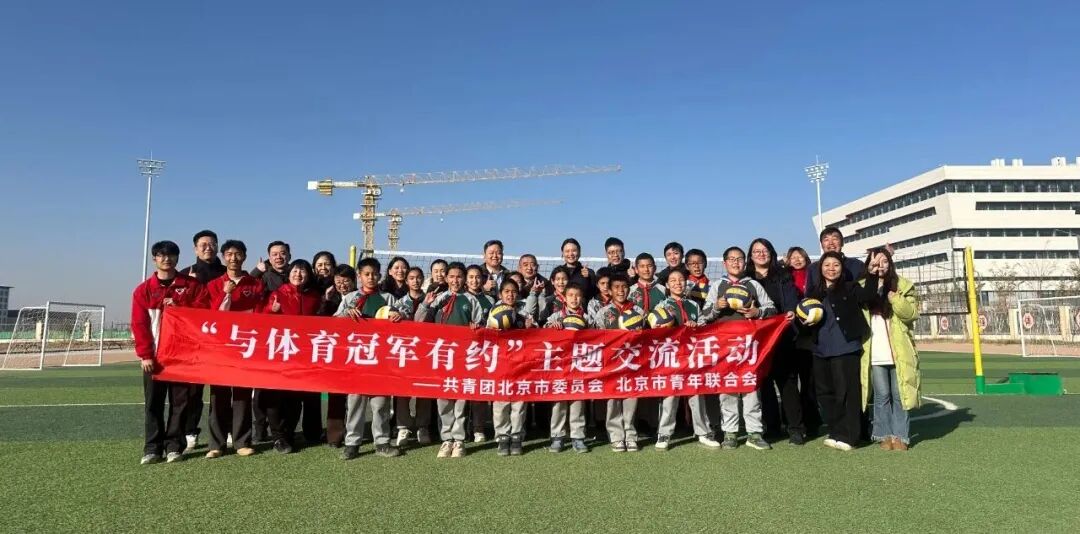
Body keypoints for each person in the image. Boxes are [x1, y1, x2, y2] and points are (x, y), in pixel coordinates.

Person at [131, 240, 209, 464]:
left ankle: (174, 446)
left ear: (177, 258)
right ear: (154, 259)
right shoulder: (144, 290)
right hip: (155, 358)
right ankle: (152, 448)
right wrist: (145, 355)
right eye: (161, 255)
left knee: (181, 404)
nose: (167, 259)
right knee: (153, 404)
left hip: (182, 357)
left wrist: (181, 309)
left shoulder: (192, 286)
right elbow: (139, 324)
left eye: (171, 255)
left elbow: (204, 313)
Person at [800, 251, 883, 452]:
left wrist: (872, 274)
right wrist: (802, 322)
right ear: (820, 268)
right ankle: (835, 431)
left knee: (847, 393)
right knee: (825, 394)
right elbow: (803, 317)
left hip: (845, 348)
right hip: (820, 349)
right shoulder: (813, 293)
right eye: (827, 265)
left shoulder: (850, 287)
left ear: (842, 268)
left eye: (836, 265)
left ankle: (850, 435)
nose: (831, 268)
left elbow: (868, 296)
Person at [701, 246, 776, 451]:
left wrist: (757, 312)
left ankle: (754, 433)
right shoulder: (717, 286)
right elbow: (703, 316)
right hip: (725, 348)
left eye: (739, 259)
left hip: (749, 347)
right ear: (724, 263)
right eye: (732, 259)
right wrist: (717, 307)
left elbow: (771, 309)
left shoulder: (753, 285)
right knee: (728, 390)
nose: (736, 262)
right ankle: (730, 433)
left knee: (751, 389)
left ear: (745, 262)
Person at [336, 257, 405, 460]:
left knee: (380, 403)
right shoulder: (350, 298)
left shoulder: (388, 298)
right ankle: (352, 443)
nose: (371, 277)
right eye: (366, 274)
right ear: (359, 276)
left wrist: (399, 316)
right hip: (357, 358)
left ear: (380, 276)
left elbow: (403, 317)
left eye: (374, 274)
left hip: (381, 360)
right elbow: (334, 322)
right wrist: (346, 313)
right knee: (355, 402)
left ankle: (382, 442)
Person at [414, 261, 485, 458]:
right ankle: (447, 439)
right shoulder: (438, 299)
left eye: (459, 277)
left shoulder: (471, 300)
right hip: (442, 355)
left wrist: (476, 327)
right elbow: (419, 322)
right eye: (451, 276)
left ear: (464, 279)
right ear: (446, 278)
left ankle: (459, 439)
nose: (455, 280)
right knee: (443, 399)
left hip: (463, 357)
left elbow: (481, 326)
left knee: (461, 399)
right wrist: (426, 304)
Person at [204, 239, 263, 458]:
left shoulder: (254, 284)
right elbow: (210, 314)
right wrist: (224, 293)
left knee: (242, 395)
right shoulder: (214, 284)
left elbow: (260, 313)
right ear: (223, 257)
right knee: (218, 395)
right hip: (220, 348)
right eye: (229, 254)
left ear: (244, 256)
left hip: (245, 346)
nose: (233, 258)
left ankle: (242, 442)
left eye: (238, 254)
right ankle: (216, 444)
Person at [746, 238, 808, 444]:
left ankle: (795, 428)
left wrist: (790, 312)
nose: (761, 254)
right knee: (764, 384)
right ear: (751, 256)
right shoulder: (746, 278)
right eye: (756, 251)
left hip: (781, 336)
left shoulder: (782, 275)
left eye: (764, 250)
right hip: (757, 340)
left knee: (787, 383)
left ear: (771, 253)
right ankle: (772, 426)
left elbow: (791, 301)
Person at [860, 247, 920, 451]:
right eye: (876, 262)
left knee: (900, 394)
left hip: (898, 349)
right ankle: (883, 435)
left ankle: (901, 436)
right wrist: (871, 279)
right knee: (882, 395)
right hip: (874, 350)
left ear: (890, 263)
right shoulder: (863, 285)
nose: (881, 266)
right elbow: (859, 302)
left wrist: (895, 298)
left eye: (884, 261)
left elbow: (911, 314)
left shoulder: (903, 285)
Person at [652, 269, 719, 450]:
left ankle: (703, 432)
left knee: (696, 393)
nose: (677, 283)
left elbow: (704, 326)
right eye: (673, 280)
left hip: (692, 357)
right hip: (672, 357)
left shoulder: (693, 305)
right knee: (670, 395)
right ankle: (664, 434)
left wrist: (696, 326)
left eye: (681, 280)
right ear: (667, 285)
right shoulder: (661, 306)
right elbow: (655, 330)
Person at [262, 259, 322, 454]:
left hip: (303, 356)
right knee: (277, 397)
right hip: (280, 353)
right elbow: (261, 320)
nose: (298, 274)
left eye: (303, 271)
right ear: (289, 274)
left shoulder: (314, 296)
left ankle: (288, 434)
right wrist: (271, 311)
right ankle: (278, 436)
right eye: (295, 271)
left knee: (296, 398)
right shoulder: (278, 294)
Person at [180, 229, 226, 453]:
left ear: (218, 246)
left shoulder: (227, 273)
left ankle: (224, 431)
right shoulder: (184, 275)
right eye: (203, 245)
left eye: (212, 244)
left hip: (222, 342)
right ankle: (190, 432)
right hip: (195, 343)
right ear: (195, 249)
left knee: (222, 390)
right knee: (193, 392)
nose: (208, 248)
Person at [590, 273, 644, 452]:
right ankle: (616, 436)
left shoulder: (638, 311)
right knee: (613, 399)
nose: (621, 291)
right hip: (611, 363)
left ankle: (630, 435)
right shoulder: (603, 313)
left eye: (624, 287)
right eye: (616, 287)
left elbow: (648, 337)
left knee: (631, 398)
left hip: (632, 362)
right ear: (610, 290)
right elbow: (597, 337)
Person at [249, 240, 291, 442]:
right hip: (266, 337)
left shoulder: (295, 273)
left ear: (289, 255)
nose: (279, 257)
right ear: (269, 257)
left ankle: (283, 428)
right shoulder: (263, 275)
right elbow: (248, 291)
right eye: (274, 254)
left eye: (282, 253)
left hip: (290, 338)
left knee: (285, 387)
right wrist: (256, 271)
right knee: (261, 385)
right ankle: (259, 428)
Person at [544, 282, 591, 453]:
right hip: (560, 366)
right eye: (570, 295)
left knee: (578, 401)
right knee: (559, 402)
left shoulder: (588, 317)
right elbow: (542, 334)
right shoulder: (556, 316)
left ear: (582, 298)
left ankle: (578, 437)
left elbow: (598, 336)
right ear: (564, 298)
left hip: (579, 366)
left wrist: (588, 331)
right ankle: (557, 436)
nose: (574, 299)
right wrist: (551, 328)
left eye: (577, 296)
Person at [490, 279, 534, 456]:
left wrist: (530, 328)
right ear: (500, 294)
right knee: (500, 403)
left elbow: (535, 338)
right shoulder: (493, 313)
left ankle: (516, 436)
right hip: (500, 365)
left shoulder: (523, 314)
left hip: (520, 366)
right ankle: (502, 436)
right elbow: (484, 336)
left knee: (519, 403)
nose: (510, 294)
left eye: (513, 291)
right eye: (506, 291)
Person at [394, 266, 434, 447]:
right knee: (402, 391)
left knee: (424, 390)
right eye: (411, 278)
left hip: (426, 352)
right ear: (407, 281)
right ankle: (403, 427)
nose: (415, 281)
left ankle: (422, 426)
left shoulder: (431, 300)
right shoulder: (399, 302)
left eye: (418, 277)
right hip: (405, 352)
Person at [317, 264, 355, 447]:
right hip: (335, 353)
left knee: (355, 397)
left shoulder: (360, 297)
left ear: (353, 281)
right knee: (336, 395)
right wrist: (326, 300)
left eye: (346, 281)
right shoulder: (329, 298)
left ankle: (353, 433)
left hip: (355, 351)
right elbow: (319, 320)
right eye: (338, 281)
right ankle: (334, 436)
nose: (342, 284)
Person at [465, 264, 496, 443]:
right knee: (463, 389)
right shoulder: (459, 298)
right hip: (462, 351)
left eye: (478, 277)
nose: (474, 280)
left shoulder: (490, 301)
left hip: (483, 351)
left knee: (479, 390)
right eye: (471, 277)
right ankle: (462, 428)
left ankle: (478, 427)